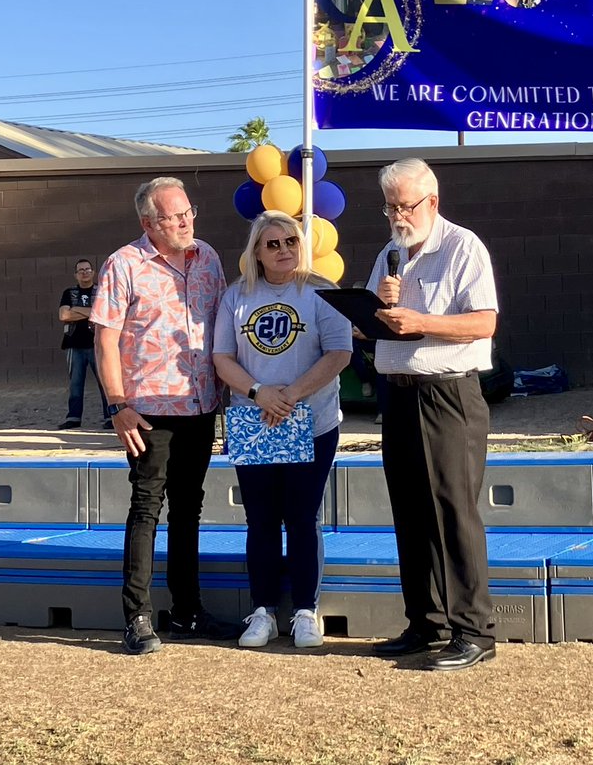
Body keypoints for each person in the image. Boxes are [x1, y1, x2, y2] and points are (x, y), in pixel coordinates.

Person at [91, 177, 238, 655]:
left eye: (188, 211)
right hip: (148, 412)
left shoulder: (209, 257)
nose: (186, 221)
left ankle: (188, 611)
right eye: (174, 216)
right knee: (146, 509)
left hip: (200, 407)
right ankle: (136, 616)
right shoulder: (123, 264)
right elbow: (106, 339)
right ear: (148, 223)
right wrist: (118, 405)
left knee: (189, 509)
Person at [365, 158, 499, 671]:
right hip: (397, 392)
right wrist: (376, 308)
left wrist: (421, 320)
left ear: (432, 202)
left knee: (452, 510)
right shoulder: (389, 254)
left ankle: (474, 630)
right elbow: (383, 324)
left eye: (406, 205)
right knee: (409, 509)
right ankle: (426, 622)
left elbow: (485, 322)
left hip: (447, 395)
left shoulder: (464, 246)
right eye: (390, 206)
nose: (398, 215)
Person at [213, 211, 352, 650]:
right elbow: (222, 358)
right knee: (261, 520)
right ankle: (263, 610)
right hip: (255, 421)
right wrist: (259, 393)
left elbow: (339, 353)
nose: (283, 250)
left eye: (290, 242)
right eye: (271, 244)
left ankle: (306, 611)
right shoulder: (236, 296)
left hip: (312, 422)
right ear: (256, 250)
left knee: (303, 518)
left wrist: (288, 395)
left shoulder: (320, 292)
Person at [58, 258, 111, 430]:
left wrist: (77, 310)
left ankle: (110, 417)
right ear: (76, 274)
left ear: (93, 272)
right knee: (75, 383)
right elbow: (64, 316)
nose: (84, 272)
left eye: (87, 269)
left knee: (105, 382)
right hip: (74, 345)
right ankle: (73, 417)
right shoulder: (69, 292)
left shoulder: (101, 291)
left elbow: (104, 313)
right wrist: (92, 312)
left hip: (98, 344)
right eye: (80, 270)